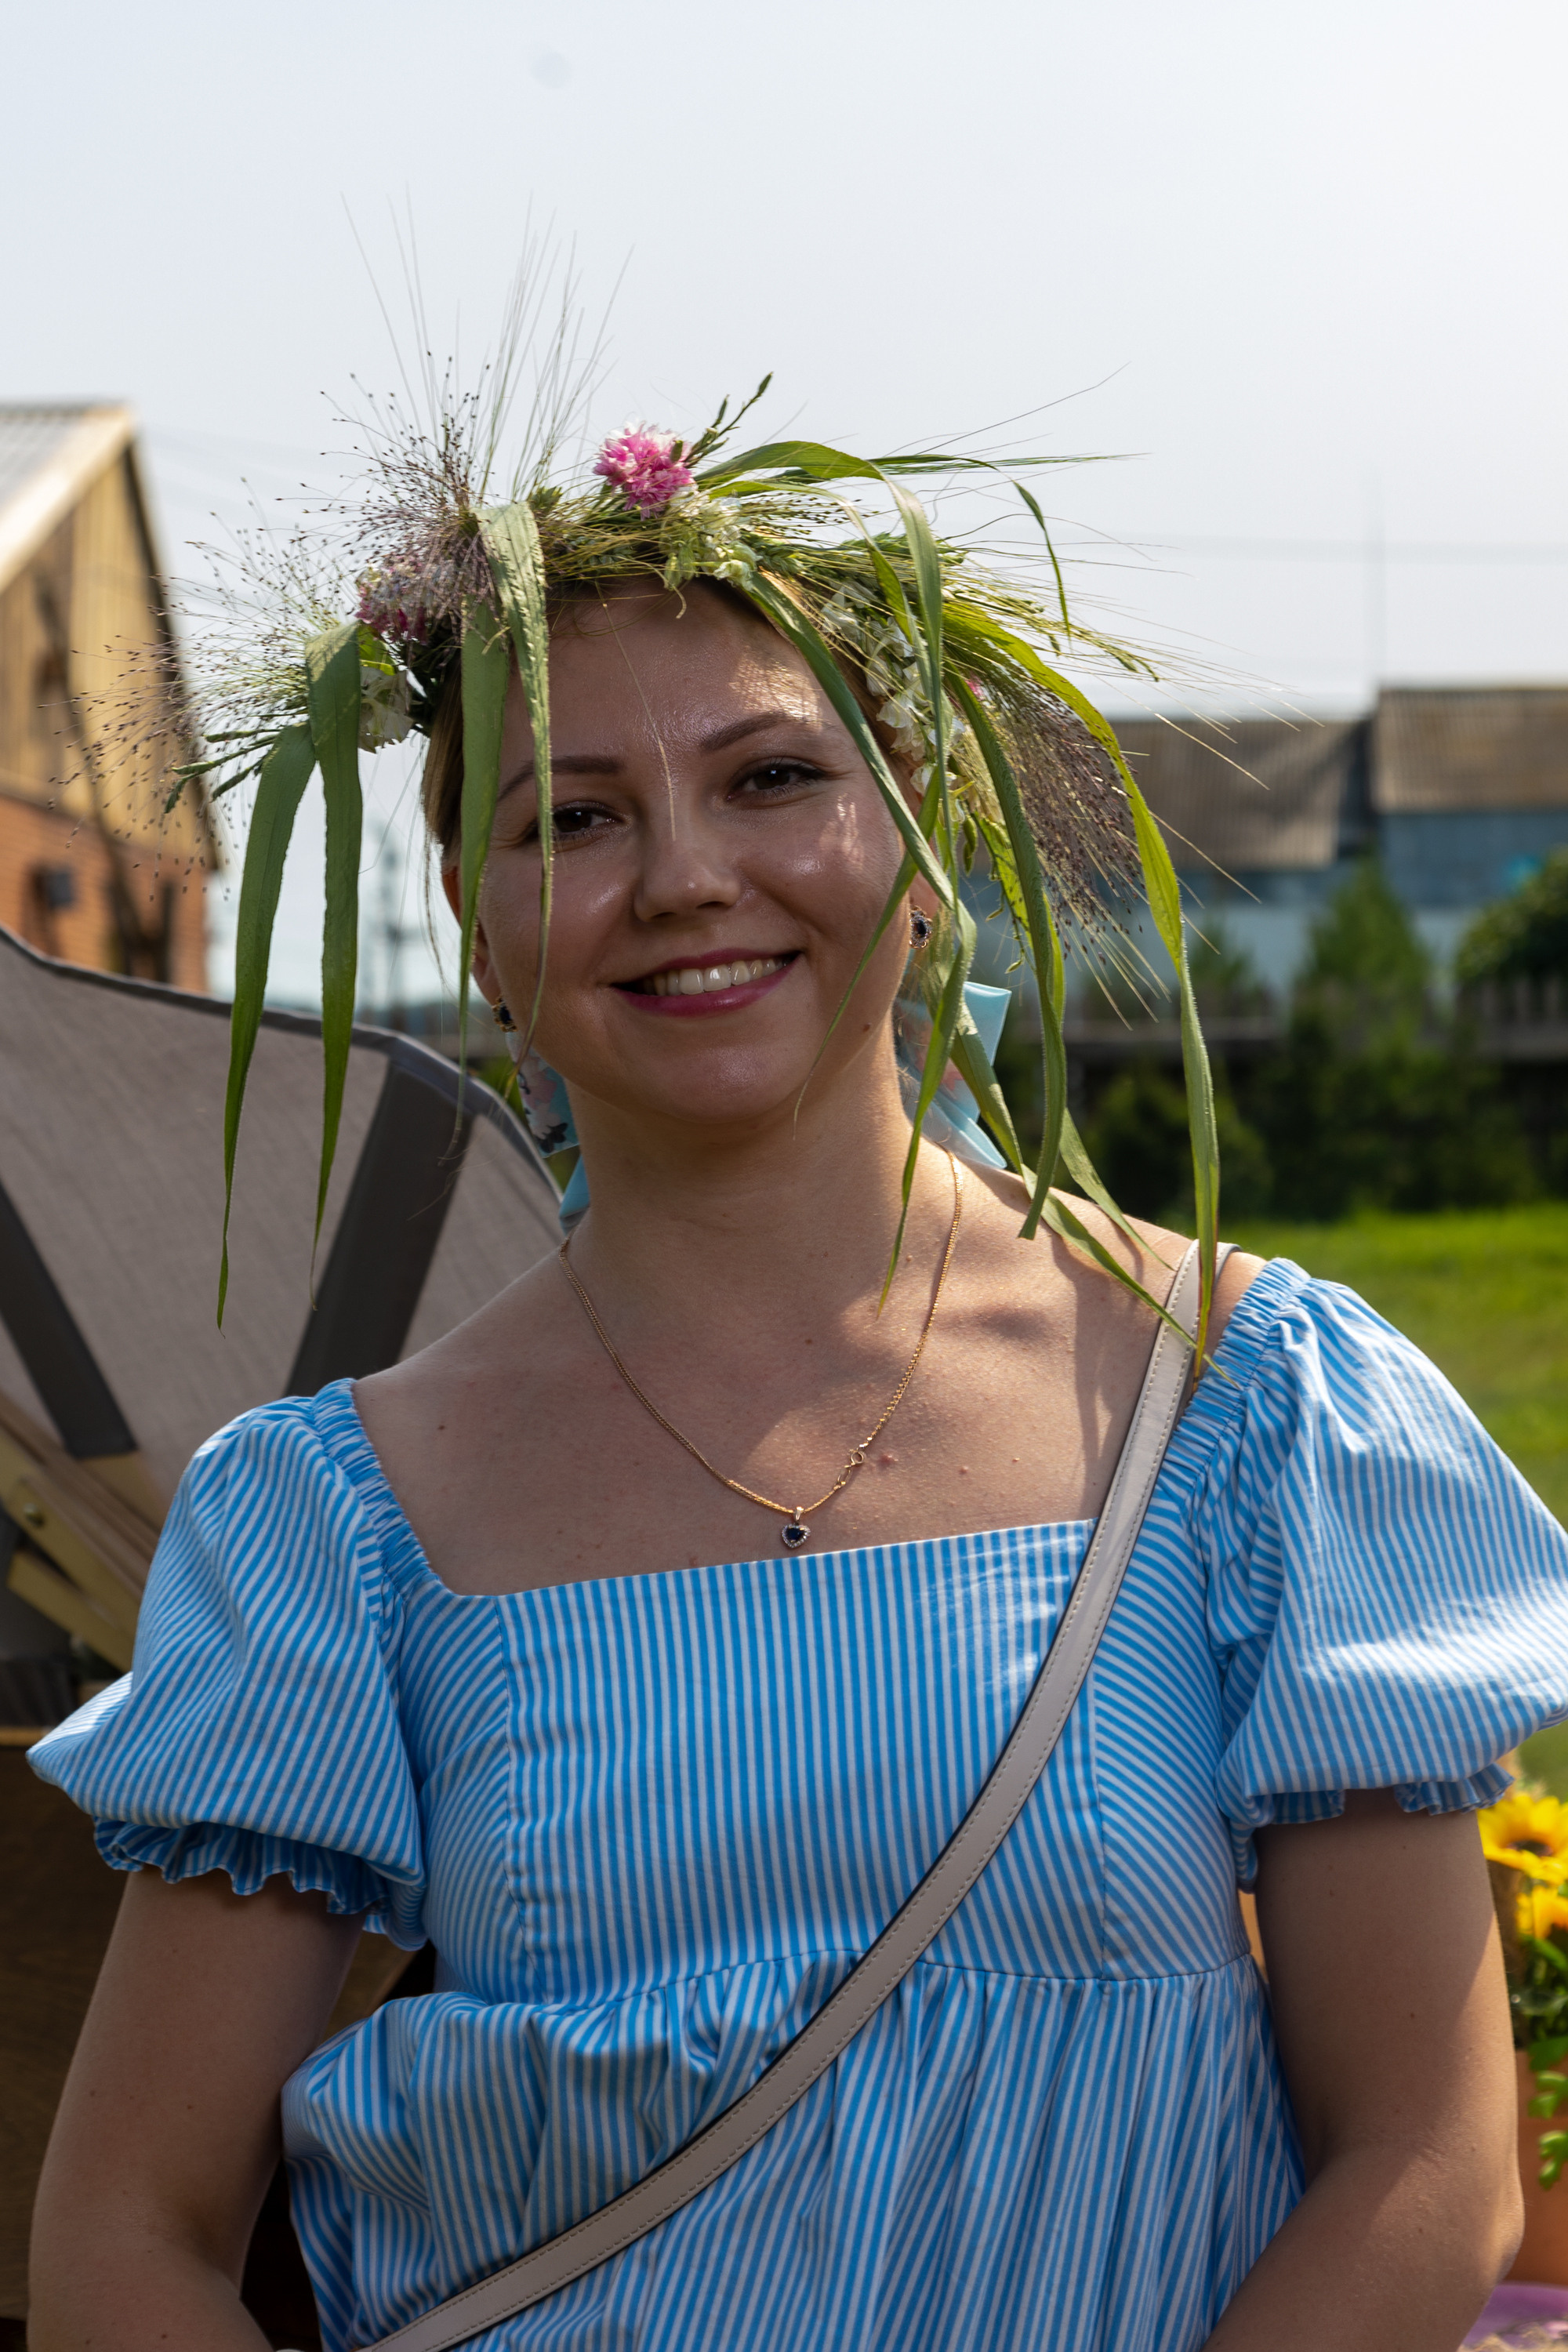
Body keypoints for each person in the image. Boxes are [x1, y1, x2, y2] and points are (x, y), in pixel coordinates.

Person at [24, 393, 1568, 2352]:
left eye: (769, 777)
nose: (680, 876)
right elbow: (129, 2241)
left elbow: (1429, 2155)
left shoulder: (1245, 1408)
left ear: (925, 850)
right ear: (482, 936)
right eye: (569, 817)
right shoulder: (335, 1517)